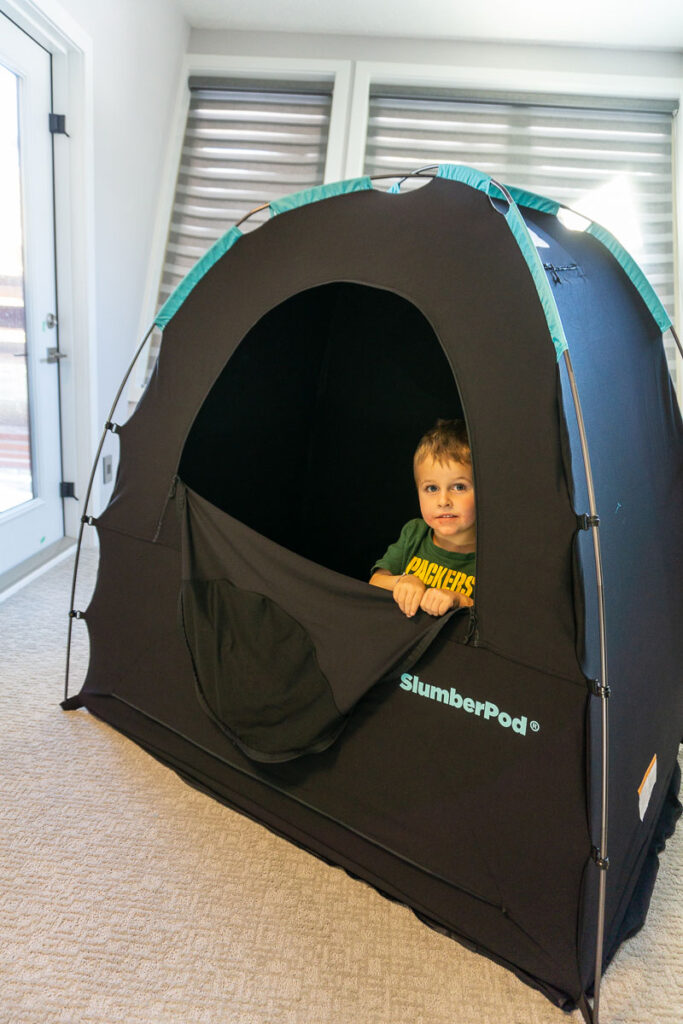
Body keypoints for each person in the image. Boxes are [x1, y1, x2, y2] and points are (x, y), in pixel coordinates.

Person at [369, 419, 476, 618]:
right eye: (432, 488)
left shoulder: (493, 555)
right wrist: (404, 581)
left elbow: (499, 617)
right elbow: (376, 582)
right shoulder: (414, 533)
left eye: (459, 487)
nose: (443, 501)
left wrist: (460, 600)